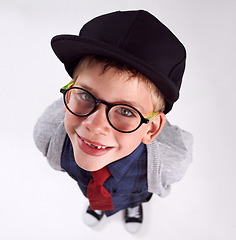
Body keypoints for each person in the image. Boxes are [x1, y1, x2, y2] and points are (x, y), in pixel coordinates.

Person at [33, 10, 193, 233]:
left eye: (126, 111)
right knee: (92, 189)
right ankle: (96, 204)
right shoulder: (50, 136)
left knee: (134, 196)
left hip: (133, 191)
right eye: (86, 96)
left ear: (152, 128)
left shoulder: (167, 164)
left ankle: (133, 207)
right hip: (90, 185)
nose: (95, 125)